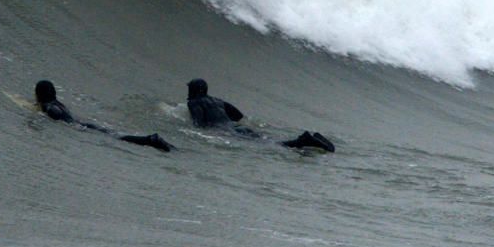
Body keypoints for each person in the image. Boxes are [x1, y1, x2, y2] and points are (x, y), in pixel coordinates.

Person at [186, 78, 335, 152]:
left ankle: (303, 141)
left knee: (271, 146)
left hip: (224, 130)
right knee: (268, 141)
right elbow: (238, 115)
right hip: (236, 127)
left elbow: (198, 122)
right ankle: (312, 140)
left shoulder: (193, 102)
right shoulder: (217, 100)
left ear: (193, 90)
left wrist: (202, 131)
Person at [35, 80, 174, 153]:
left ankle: (151, 139)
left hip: (82, 127)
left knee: (117, 137)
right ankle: (151, 140)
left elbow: (57, 115)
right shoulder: (57, 103)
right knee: (116, 135)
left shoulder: (49, 106)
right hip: (86, 125)